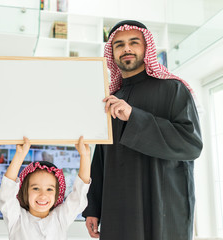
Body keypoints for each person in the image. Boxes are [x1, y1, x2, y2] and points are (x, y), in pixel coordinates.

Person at [82, 20, 203, 240]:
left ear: (146, 48)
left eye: (133, 42)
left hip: (162, 209)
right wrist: (93, 208)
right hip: (118, 210)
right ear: (112, 53)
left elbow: (191, 144)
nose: (126, 49)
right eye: (119, 45)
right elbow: (100, 159)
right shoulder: (111, 99)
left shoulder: (173, 89)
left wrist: (134, 117)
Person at [0, 136, 91, 240]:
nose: (43, 195)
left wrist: (85, 155)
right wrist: (19, 155)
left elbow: (78, 196)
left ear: (57, 193)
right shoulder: (16, 218)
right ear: (25, 191)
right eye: (36, 188)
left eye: (49, 189)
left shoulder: (60, 217)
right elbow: (6, 194)